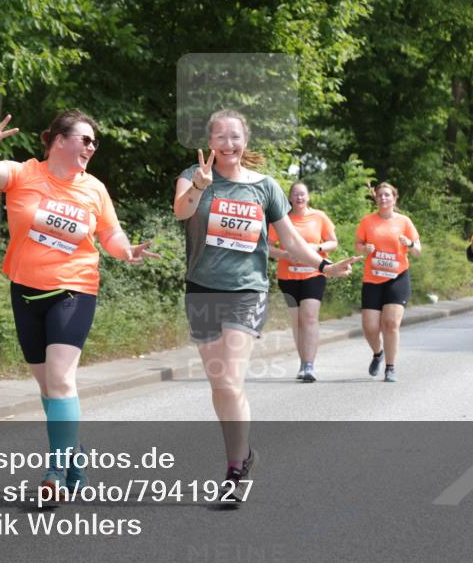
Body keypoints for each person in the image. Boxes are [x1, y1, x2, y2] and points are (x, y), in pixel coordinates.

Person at [0, 110, 158, 498]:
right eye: (85, 139)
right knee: (49, 387)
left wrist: (126, 251)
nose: (91, 147)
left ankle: (55, 471)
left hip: (74, 288)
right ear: (59, 140)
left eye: (95, 143)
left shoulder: (94, 189)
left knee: (62, 379)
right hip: (26, 291)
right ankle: (74, 460)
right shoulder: (23, 174)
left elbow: (110, 233)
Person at [173, 110, 359, 501]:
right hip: (201, 290)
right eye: (220, 137)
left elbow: (290, 241)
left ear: (246, 140)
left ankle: (235, 470)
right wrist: (199, 188)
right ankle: (242, 454)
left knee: (229, 380)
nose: (228, 144)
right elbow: (182, 211)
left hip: (247, 291)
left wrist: (324, 266)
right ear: (210, 142)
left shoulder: (265, 187)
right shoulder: (194, 175)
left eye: (235, 137)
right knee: (219, 386)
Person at [267, 182, 338, 382]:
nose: (299, 198)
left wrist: (317, 248)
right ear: (290, 198)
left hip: (314, 274)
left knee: (310, 317)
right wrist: (286, 254)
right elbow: (267, 247)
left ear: (308, 197)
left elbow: (333, 241)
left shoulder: (319, 217)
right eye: (295, 194)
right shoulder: (281, 220)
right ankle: (303, 362)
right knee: (297, 320)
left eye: (302, 194)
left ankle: (309, 365)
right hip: (288, 276)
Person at [355, 182, 421, 383]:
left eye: (387, 195)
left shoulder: (404, 222)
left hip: (397, 277)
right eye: (380, 195)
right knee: (370, 326)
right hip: (373, 278)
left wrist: (409, 244)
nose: (383, 198)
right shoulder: (367, 221)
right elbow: (357, 245)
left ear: (394, 198)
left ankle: (390, 367)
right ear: (375, 198)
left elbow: (418, 250)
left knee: (391, 324)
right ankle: (378, 353)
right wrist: (364, 249)